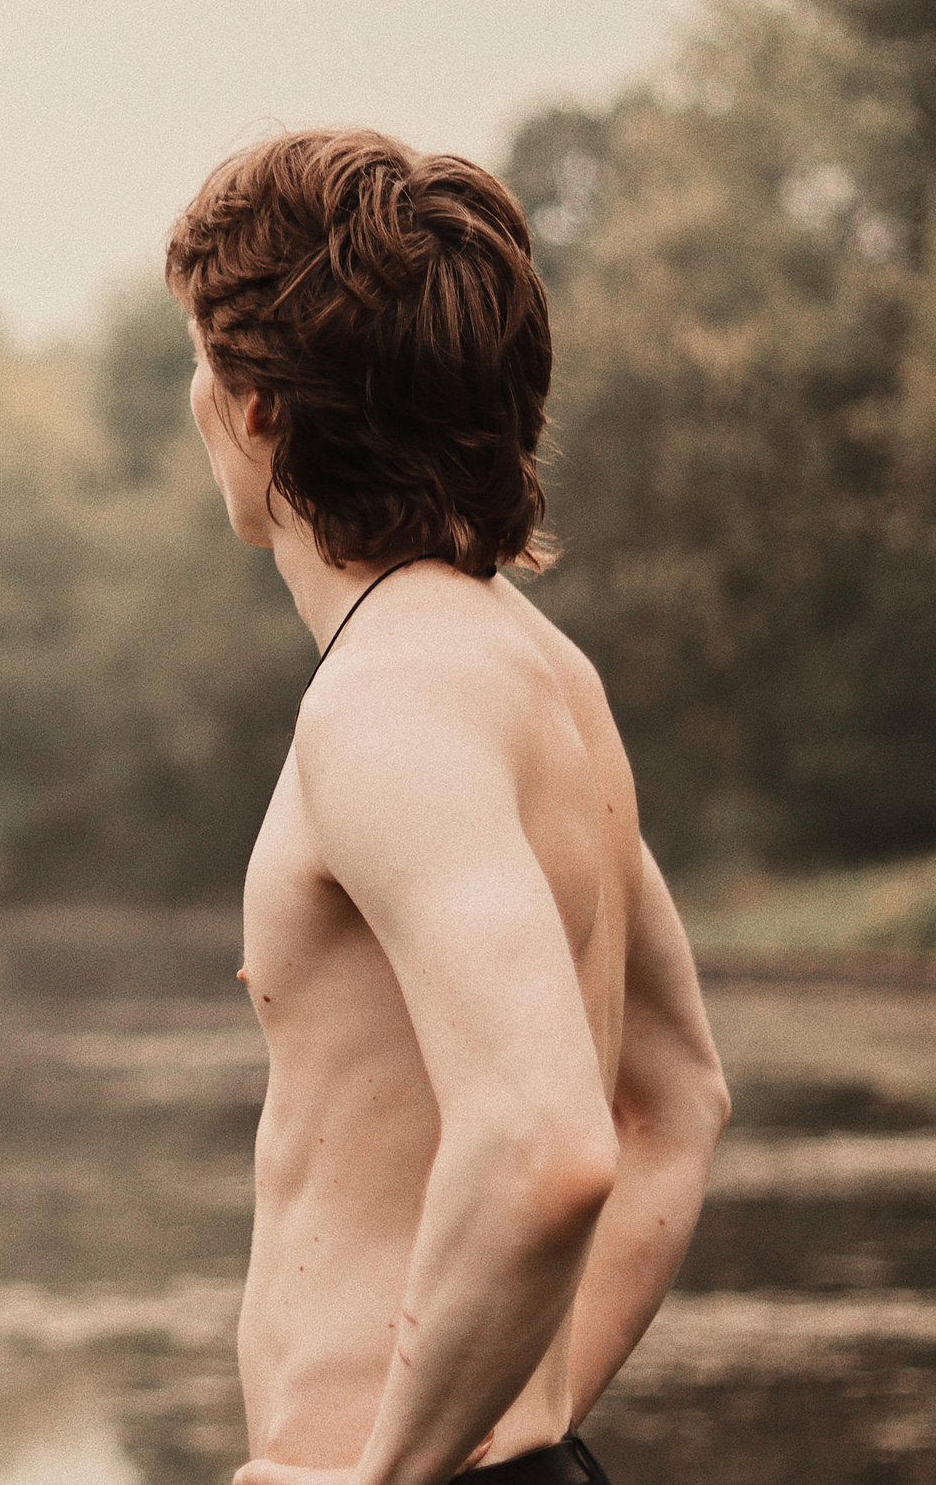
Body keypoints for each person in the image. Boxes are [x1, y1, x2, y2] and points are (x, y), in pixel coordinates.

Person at [164, 130, 731, 1485]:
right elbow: (681, 1100)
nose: (192, 398)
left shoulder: (389, 703)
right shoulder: (538, 667)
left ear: (260, 411)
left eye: (200, 359)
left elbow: (548, 1146)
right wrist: (532, 1418)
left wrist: (389, 1473)